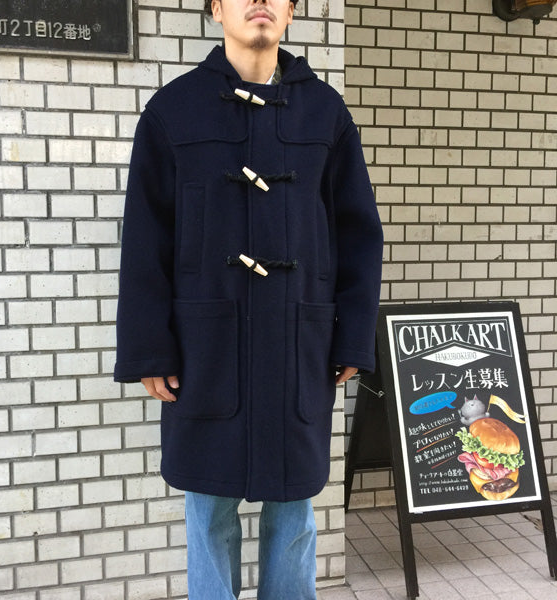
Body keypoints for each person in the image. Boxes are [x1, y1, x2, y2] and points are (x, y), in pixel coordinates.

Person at [114, 0, 383, 597]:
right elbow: (146, 238)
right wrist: (150, 347)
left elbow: (359, 233)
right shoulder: (173, 110)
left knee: (293, 511)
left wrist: (351, 338)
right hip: (204, 344)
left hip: (299, 340)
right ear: (216, 8)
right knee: (209, 507)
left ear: (290, 10)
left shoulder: (326, 113)